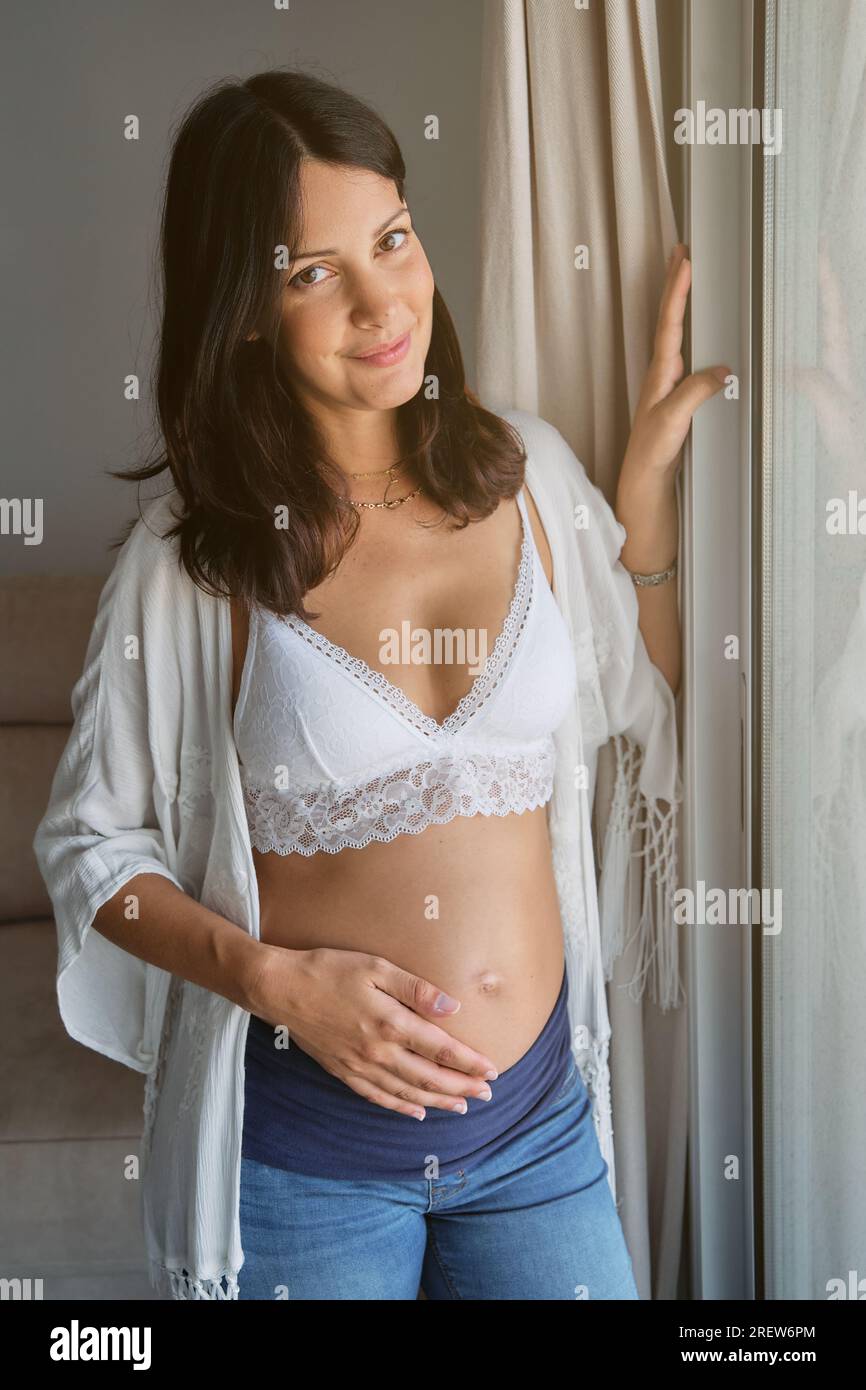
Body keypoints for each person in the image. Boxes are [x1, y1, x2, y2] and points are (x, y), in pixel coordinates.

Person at [33, 69, 723, 1300]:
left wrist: (643, 498)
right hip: (304, 1171)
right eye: (314, 273)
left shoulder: (531, 478)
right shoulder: (190, 562)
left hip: (538, 1138)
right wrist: (273, 979)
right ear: (245, 309)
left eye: (392, 240)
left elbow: (636, 711)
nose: (381, 301)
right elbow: (90, 849)